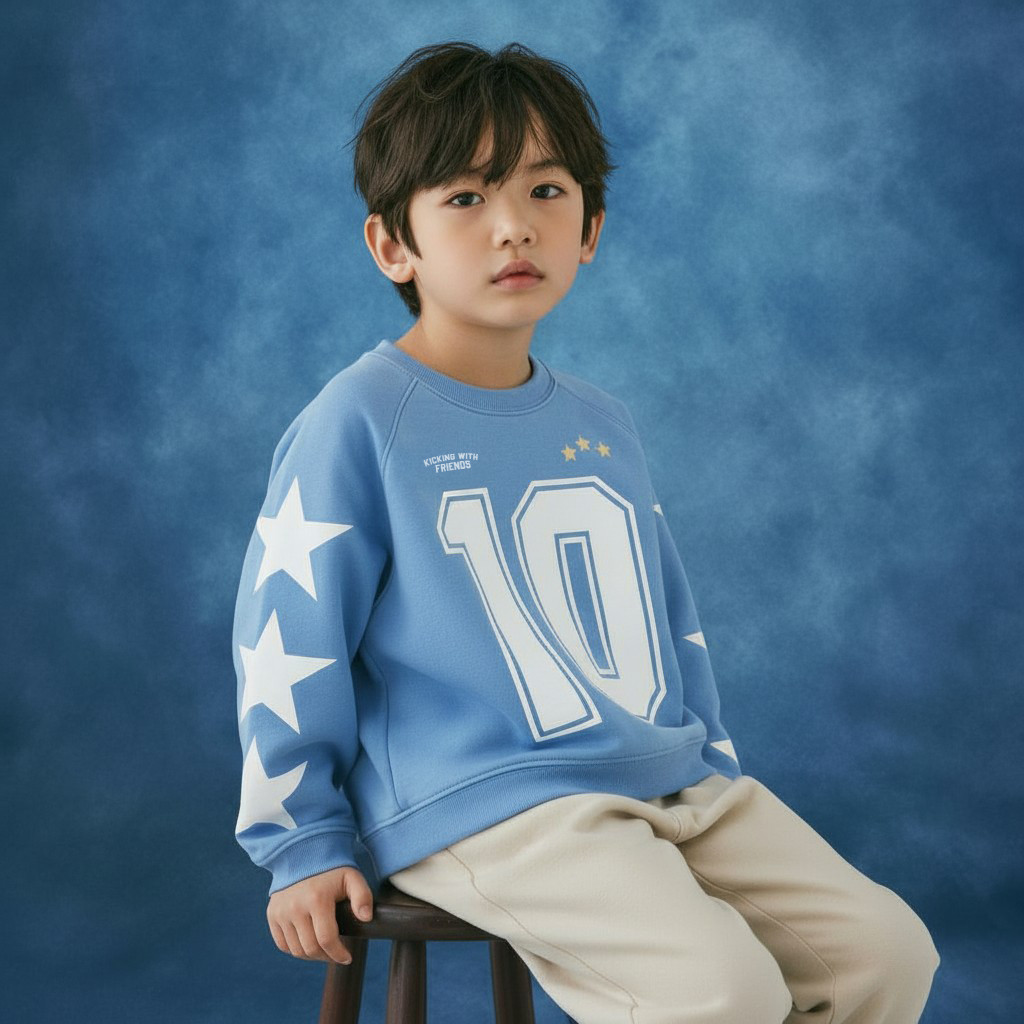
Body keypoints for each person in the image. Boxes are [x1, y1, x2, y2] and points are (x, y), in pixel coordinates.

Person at [232, 41, 938, 1023]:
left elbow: (662, 618)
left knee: (885, 950)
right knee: (718, 991)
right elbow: (288, 638)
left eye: (547, 190)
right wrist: (301, 840)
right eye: (466, 198)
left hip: (664, 777)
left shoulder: (599, 421)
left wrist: (706, 765)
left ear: (590, 228)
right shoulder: (358, 418)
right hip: (487, 801)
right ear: (393, 245)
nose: (514, 225)